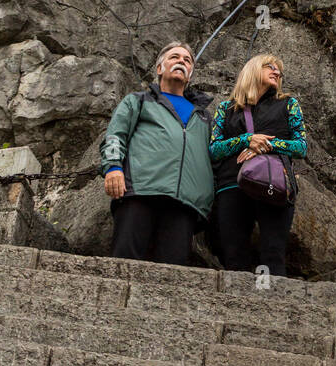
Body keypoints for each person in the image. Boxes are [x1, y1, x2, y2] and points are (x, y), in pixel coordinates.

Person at [100, 42, 214, 265]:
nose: (181, 61)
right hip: (140, 192)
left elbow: (214, 158)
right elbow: (115, 135)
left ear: (190, 75)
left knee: (171, 276)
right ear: (160, 68)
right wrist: (113, 167)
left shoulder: (204, 117)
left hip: (185, 203)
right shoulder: (139, 101)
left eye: (187, 60)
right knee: (124, 263)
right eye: (174, 57)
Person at [209, 53, 306, 276]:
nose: (277, 72)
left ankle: (276, 306)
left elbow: (301, 147)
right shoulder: (226, 109)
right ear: (253, 69)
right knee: (234, 255)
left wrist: (263, 144)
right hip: (231, 186)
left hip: (275, 183)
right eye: (269, 66)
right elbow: (214, 150)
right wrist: (245, 140)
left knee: (273, 253)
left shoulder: (288, 104)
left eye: (279, 70)